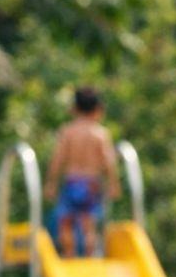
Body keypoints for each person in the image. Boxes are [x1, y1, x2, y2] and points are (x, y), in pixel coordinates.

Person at [45, 87, 121, 257]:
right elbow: (108, 162)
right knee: (88, 224)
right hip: (91, 184)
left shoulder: (68, 132)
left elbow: (57, 160)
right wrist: (114, 184)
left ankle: (69, 255)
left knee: (65, 222)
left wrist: (51, 183)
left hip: (71, 181)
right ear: (97, 110)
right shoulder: (100, 134)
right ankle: (89, 257)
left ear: (74, 109)